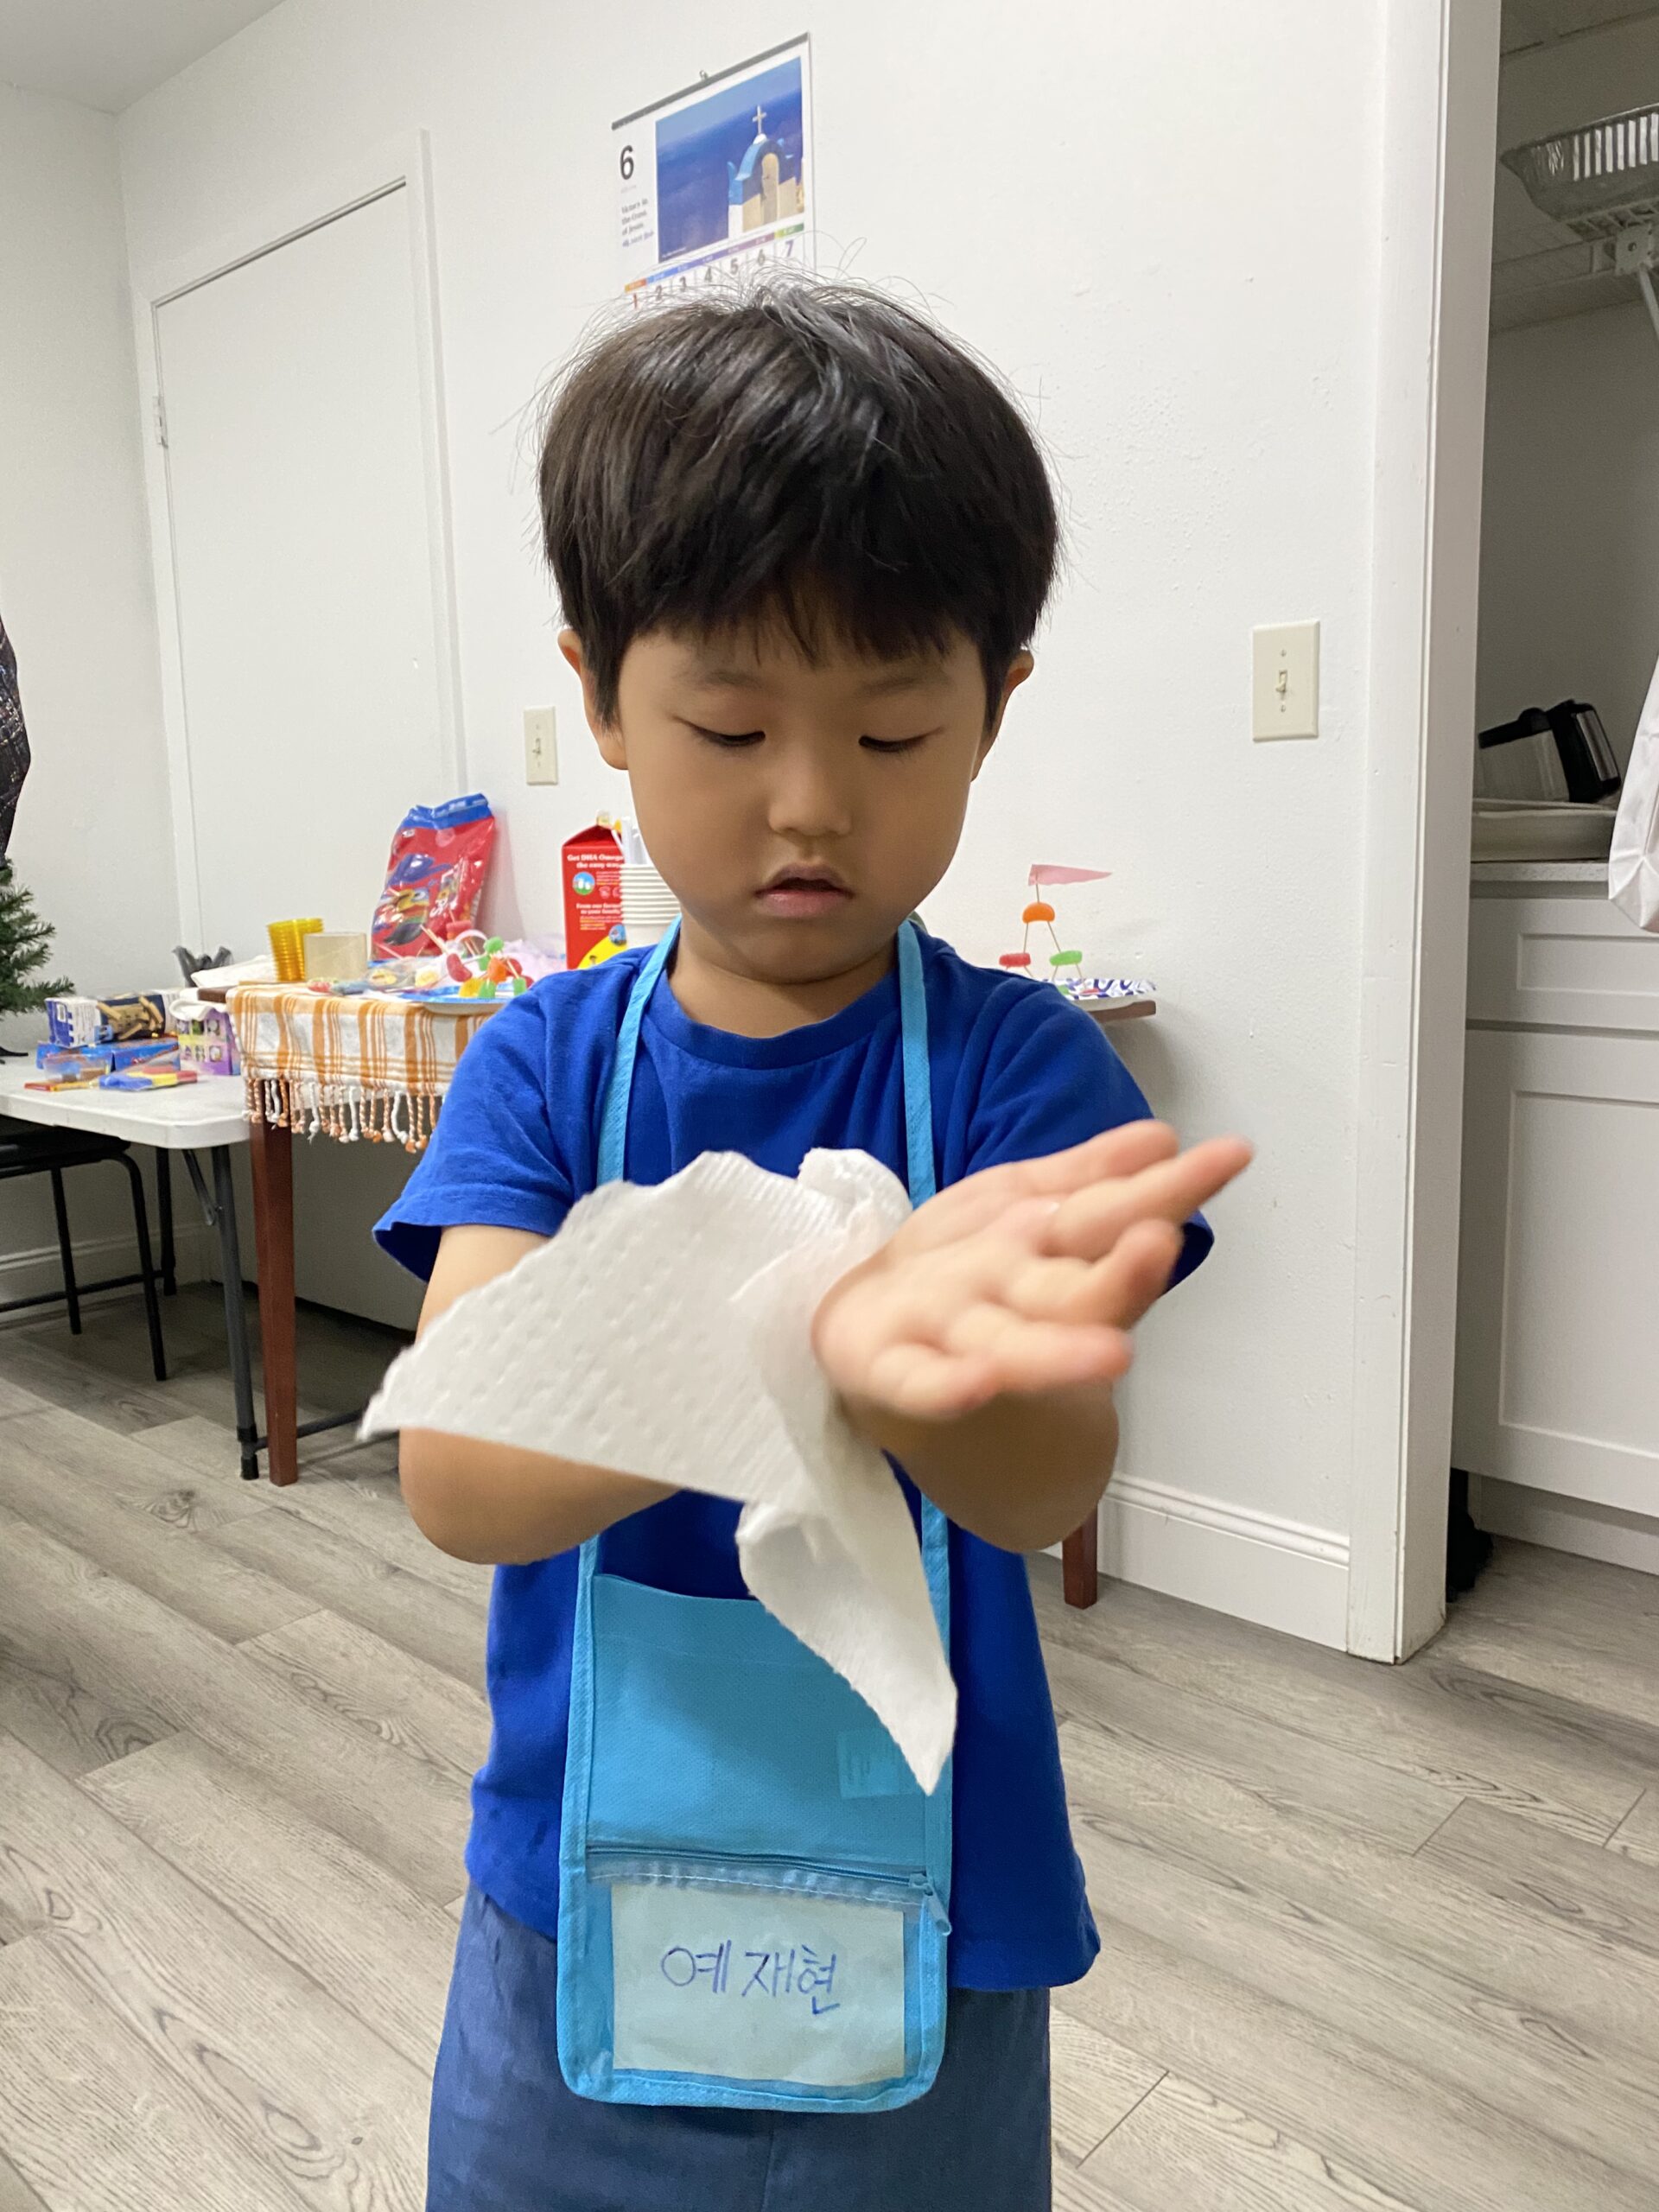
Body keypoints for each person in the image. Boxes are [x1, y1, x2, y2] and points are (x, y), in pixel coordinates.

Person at [376, 280, 1249, 2212]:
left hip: (926, 1908)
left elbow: (1044, 1488)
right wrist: (795, 1351)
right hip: (580, 1899)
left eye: (892, 727)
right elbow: (458, 1470)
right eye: (730, 723)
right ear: (603, 696)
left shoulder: (1020, 1070)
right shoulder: (546, 1063)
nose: (809, 802)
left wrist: (922, 1384)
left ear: (994, 707)